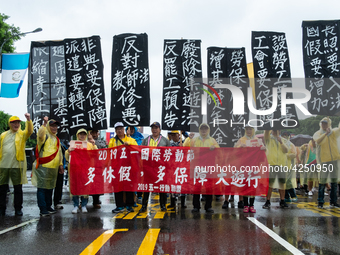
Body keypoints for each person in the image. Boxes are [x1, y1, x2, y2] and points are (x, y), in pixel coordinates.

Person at [0, 114, 33, 216]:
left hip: (17, 165)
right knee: (2, 188)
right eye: (14, 122)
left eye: (18, 122)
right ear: (10, 124)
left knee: (18, 188)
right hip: (3, 165)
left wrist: (28, 120)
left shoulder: (22, 135)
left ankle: (18, 208)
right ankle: (1, 209)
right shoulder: (3, 135)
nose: (16, 124)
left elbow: (29, 131)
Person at [32, 117, 64, 216]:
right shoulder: (44, 136)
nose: (54, 128)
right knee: (42, 188)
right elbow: (40, 134)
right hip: (43, 166)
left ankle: (48, 206)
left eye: (56, 126)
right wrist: (44, 124)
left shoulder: (57, 139)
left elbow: (59, 154)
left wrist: (61, 165)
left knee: (50, 187)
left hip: (53, 168)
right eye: (52, 125)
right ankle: (42, 208)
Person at [139, 122, 171, 213]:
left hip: (161, 167)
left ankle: (163, 205)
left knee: (162, 187)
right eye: (153, 128)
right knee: (147, 187)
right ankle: (144, 205)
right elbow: (141, 152)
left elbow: (169, 154)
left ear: (160, 129)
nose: (154, 130)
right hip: (148, 167)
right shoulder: (146, 140)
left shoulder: (165, 141)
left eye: (156, 128)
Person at [234, 125, 266, 213]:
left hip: (255, 166)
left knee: (253, 186)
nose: (248, 131)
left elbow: (263, 151)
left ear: (253, 130)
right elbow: (235, 152)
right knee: (245, 185)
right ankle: (245, 205)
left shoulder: (257, 140)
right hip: (244, 166)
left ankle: (251, 205)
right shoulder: (241, 140)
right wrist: (240, 147)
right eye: (247, 129)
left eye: (250, 129)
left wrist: (264, 149)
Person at [66, 128, 97, 213]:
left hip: (85, 170)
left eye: (84, 134)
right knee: (75, 187)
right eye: (80, 134)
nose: (82, 136)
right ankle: (75, 205)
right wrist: (69, 151)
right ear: (77, 135)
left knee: (85, 188)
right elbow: (67, 156)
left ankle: (83, 205)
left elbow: (95, 154)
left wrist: (94, 145)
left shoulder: (89, 145)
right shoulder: (73, 144)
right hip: (75, 170)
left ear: (86, 135)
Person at [190, 123, 220, 213]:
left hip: (209, 167)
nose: (204, 130)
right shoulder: (194, 140)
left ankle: (208, 206)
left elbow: (219, 151)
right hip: (197, 167)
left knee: (209, 187)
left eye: (205, 129)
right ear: (200, 130)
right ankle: (196, 206)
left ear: (208, 130)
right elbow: (187, 150)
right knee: (197, 187)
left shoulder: (212, 140)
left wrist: (215, 147)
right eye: (202, 129)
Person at [109, 122, 138, 213]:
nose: (119, 130)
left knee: (129, 186)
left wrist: (129, 144)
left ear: (124, 129)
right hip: (116, 167)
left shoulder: (130, 139)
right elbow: (109, 152)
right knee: (117, 187)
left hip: (128, 167)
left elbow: (136, 149)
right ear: (115, 131)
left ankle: (129, 205)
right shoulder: (112, 141)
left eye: (121, 128)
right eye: (117, 129)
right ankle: (119, 205)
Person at [313, 117, 340, 208]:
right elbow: (318, 141)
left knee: (334, 182)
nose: (324, 125)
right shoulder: (318, 133)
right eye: (323, 123)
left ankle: (333, 201)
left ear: (329, 124)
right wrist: (325, 134)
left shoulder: (334, 132)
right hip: (324, 160)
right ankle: (320, 201)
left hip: (334, 159)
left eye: (326, 123)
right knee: (322, 182)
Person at [262, 130, 289, 209]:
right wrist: (269, 127)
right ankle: (267, 201)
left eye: (278, 129)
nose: (276, 131)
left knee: (282, 183)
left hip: (281, 164)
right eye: (274, 129)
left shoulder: (284, 140)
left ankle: (282, 200)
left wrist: (281, 142)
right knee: (270, 183)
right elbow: (266, 133)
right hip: (271, 164)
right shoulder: (269, 138)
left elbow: (286, 150)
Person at [89, 129, 106, 208]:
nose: (94, 134)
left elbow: (104, 148)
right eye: (92, 132)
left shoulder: (101, 142)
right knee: (87, 184)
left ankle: (96, 201)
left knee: (97, 184)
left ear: (98, 133)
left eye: (95, 132)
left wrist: (93, 143)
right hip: (88, 166)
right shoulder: (85, 142)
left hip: (98, 166)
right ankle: (83, 202)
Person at [281, 131, 298, 202]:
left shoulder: (291, 145)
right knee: (283, 182)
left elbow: (294, 154)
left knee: (288, 182)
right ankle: (286, 196)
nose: (285, 137)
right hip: (281, 166)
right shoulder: (280, 144)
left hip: (289, 166)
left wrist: (286, 156)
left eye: (286, 136)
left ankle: (293, 195)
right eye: (283, 136)